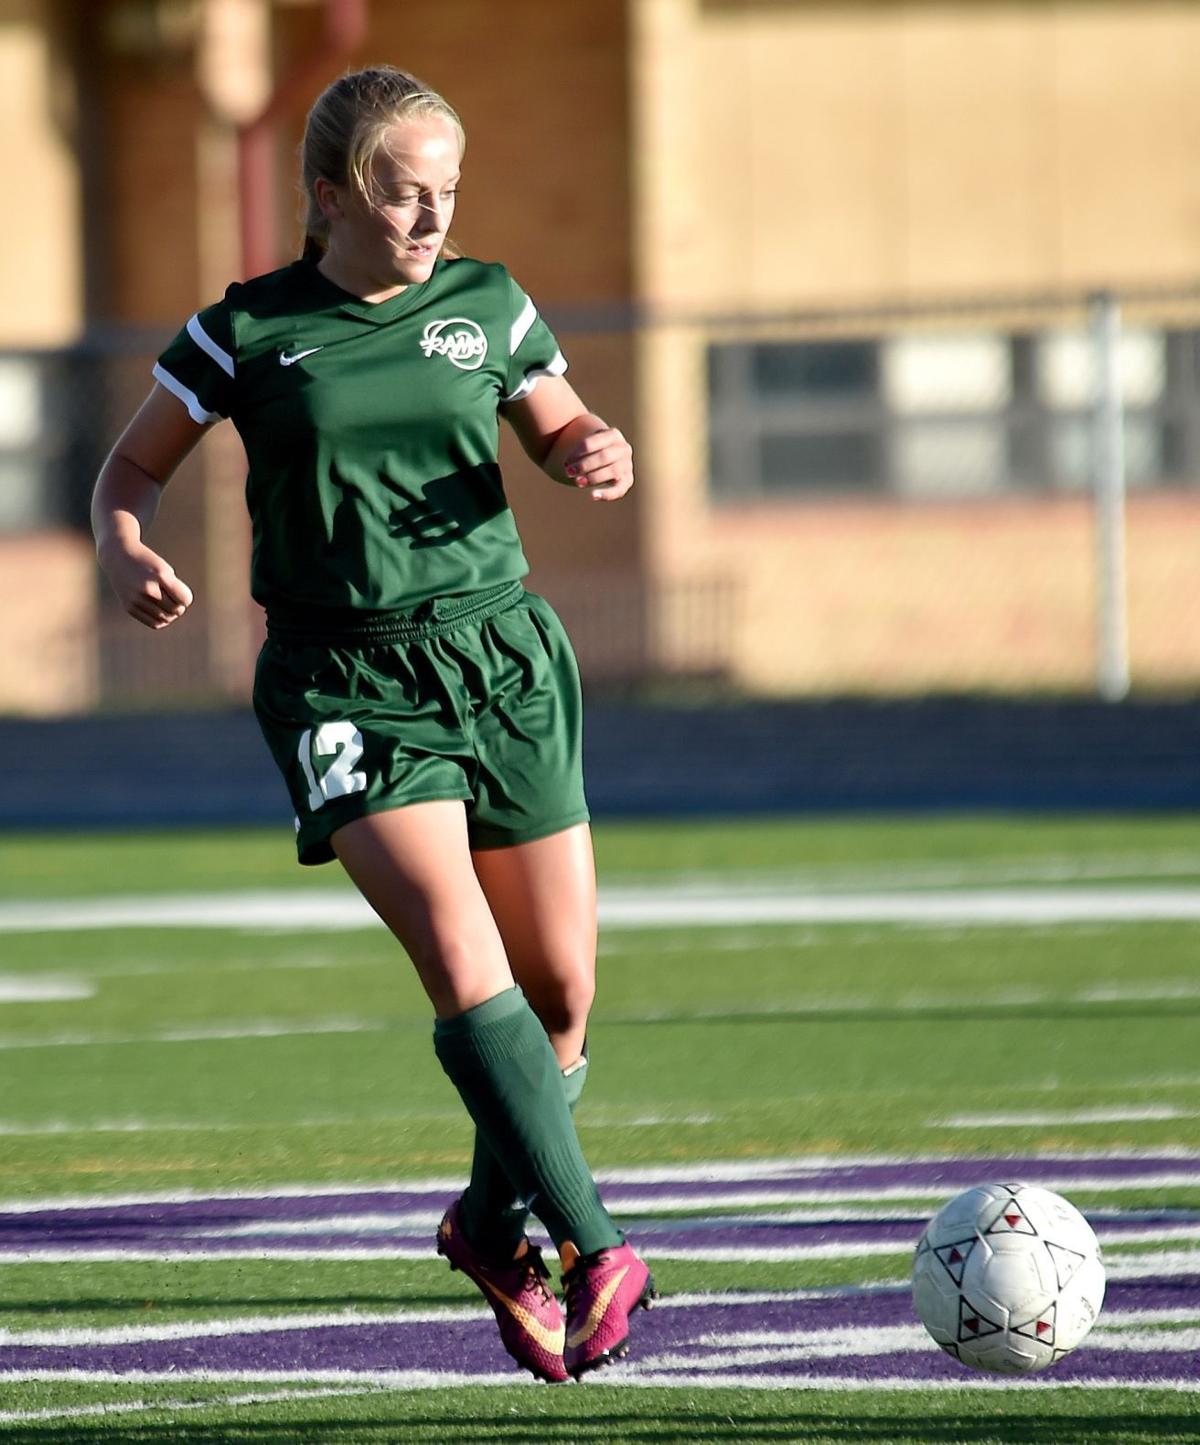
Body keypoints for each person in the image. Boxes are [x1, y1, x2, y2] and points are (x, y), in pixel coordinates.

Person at [91, 64, 654, 1383]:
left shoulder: (490, 301)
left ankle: (488, 1222)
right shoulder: (247, 329)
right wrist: (123, 545)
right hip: (348, 683)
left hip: (505, 660)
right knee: (469, 965)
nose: (431, 219)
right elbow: (131, 467)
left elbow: (559, 418)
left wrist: (586, 447)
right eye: (406, 194)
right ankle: (595, 1244)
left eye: (448, 194)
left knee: (563, 994)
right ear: (333, 196)